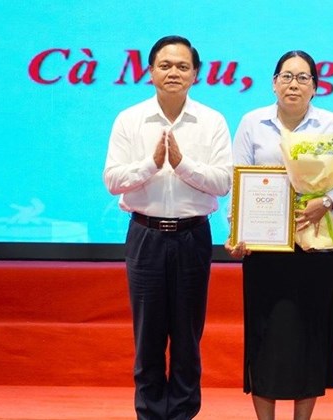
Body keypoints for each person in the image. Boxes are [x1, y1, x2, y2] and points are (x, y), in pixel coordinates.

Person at [103, 35, 232, 419]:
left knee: (188, 336)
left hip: (193, 235)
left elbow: (223, 182)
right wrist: (152, 164)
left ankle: (182, 413)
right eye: (165, 65)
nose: (173, 72)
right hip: (146, 235)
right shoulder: (130, 119)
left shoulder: (212, 121)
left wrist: (182, 164)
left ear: (195, 73)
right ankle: (149, 413)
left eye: (181, 66)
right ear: (150, 71)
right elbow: (113, 180)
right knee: (148, 335)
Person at [225, 50, 333, 420]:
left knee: (311, 338)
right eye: (286, 76)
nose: (293, 84)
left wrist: (326, 202)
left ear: (315, 86)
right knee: (265, 338)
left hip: (316, 247)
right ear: (274, 83)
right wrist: (236, 230)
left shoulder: (329, 125)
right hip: (265, 249)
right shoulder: (253, 122)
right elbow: (238, 180)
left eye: (302, 78)